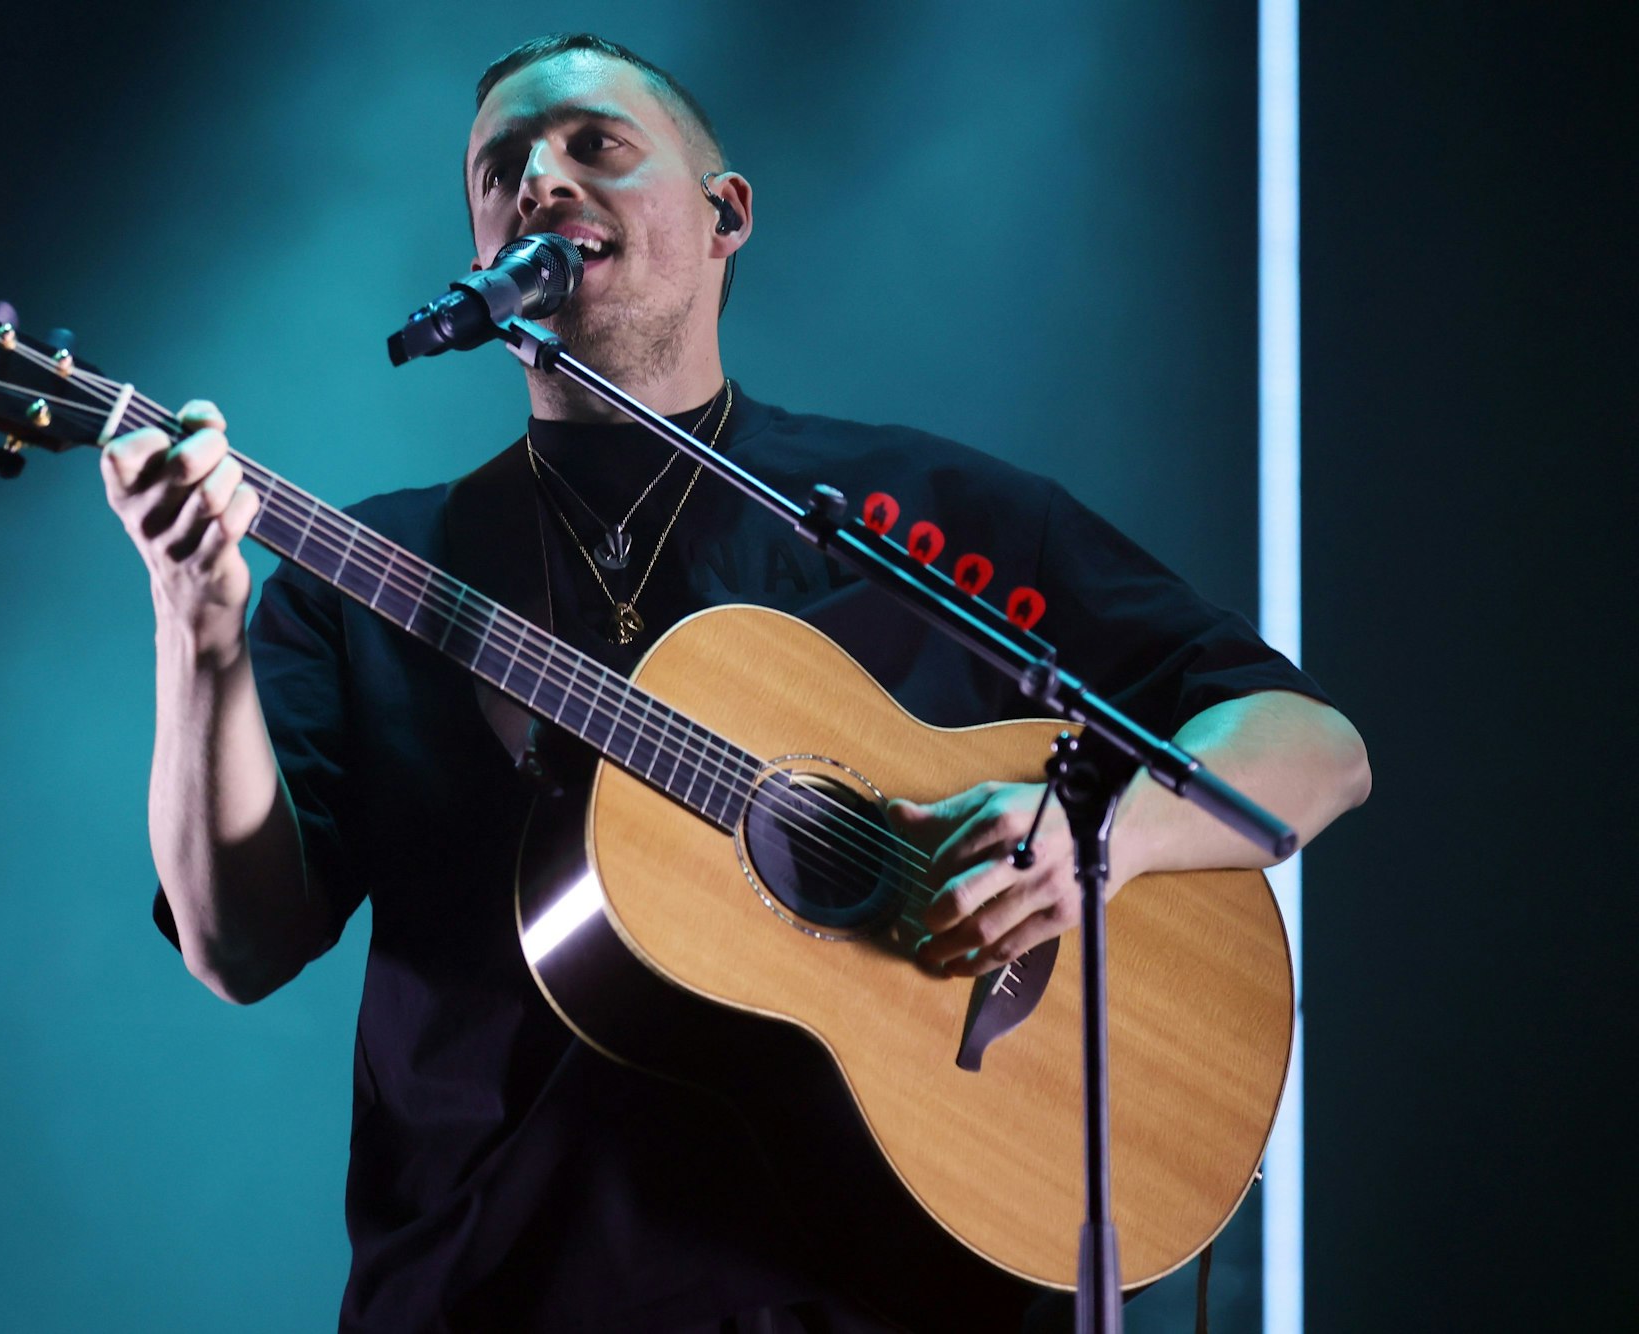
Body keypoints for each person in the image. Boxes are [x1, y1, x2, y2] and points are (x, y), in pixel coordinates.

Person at [99, 33, 1371, 1334]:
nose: (539, 181)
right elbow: (237, 945)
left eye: (596, 144)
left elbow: (1311, 747)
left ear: (727, 216)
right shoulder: (372, 574)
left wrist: (1099, 845)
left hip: (896, 1298)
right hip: (491, 1289)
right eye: (499, 170)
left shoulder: (925, 518)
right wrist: (196, 627)